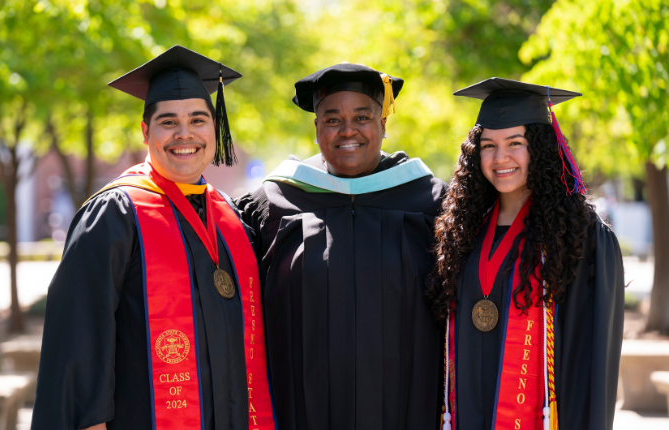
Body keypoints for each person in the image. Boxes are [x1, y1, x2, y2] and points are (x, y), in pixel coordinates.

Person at [31, 46, 276, 430]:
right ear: (146, 132)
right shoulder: (114, 214)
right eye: (168, 122)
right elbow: (77, 344)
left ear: (215, 128)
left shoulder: (231, 216)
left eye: (198, 120)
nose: (185, 134)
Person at [236, 63, 447, 429]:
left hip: (407, 408)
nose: (348, 131)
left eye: (362, 117)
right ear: (316, 129)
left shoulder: (432, 202)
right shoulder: (273, 204)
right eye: (332, 120)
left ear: (383, 124)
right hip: (301, 409)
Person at [427, 78, 624, 430]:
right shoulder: (462, 231)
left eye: (515, 143)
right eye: (488, 145)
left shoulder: (581, 234)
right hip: (468, 410)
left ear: (541, 147)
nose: (500, 158)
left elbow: (591, 357)